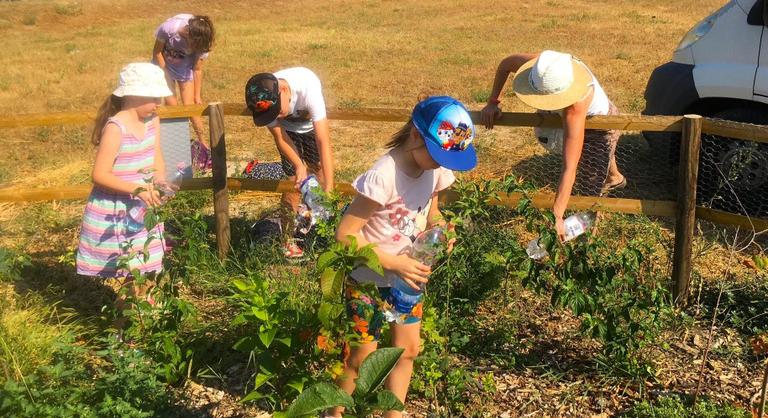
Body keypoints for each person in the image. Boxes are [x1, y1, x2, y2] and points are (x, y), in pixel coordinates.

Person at [329, 96, 477, 418]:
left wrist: (443, 229)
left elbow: (433, 212)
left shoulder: (435, 171)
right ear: (414, 135)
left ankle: (393, 414)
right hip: (368, 283)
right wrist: (394, 262)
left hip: (408, 281)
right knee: (361, 358)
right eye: (437, 155)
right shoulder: (383, 176)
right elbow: (345, 236)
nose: (441, 164)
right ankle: (334, 412)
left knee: (406, 351)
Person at [480, 50, 626, 240]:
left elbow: (569, 167)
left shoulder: (575, 106)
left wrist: (556, 215)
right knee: (602, 161)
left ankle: (584, 244)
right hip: (569, 117)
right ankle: (614, 177)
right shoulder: (542, 67)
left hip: (599, 127)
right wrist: (493, 102)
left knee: (589, 190)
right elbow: (506, 64)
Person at [76, 62, 172, 328]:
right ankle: (125, 336)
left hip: (143, 210)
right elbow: (100, 174)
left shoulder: (152, 120)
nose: (159, 103)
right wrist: (137, 189)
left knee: (149, 268)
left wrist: (160, 182)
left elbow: (156, 155)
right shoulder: (116, 128)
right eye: (154, 98)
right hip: (117, 212)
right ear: (133, 96)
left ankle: (140, 324)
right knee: (134, 273)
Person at [245, 67, 335, 260]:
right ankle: (287, 238)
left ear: (284, 91)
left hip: (310, 129)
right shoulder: (264, 103)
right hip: (288, 135)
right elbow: (280, 137)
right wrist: (298, 165)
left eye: (278, 111)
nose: (275, 116)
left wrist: (330, 187)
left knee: (319, 173)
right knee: (293, 183)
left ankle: (322, 228)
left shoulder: (308, 86)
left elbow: (323, 140)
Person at [152, 14, 215, 169]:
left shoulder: (201, 42)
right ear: (189, 34)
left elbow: (197, 69)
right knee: (173, 108)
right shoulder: (169, 28)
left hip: (184, 70)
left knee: (190, 108)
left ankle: (203, 145)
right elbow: (157, 52)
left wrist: (197, 95)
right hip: (163, 65)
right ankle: (179, 145)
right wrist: (164, 73)